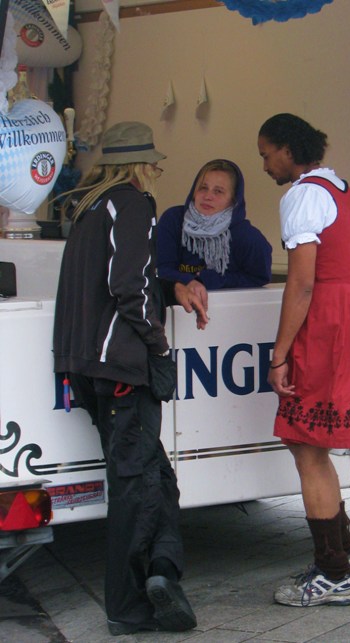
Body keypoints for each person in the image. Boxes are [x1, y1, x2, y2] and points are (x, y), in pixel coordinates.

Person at [53, 121, 208, 636]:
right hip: (122, 366)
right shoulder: (133, 204)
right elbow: (128, 288)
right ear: (141, 166)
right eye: (156, 165)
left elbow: (118, 282)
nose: (158, 173)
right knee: (137, 487)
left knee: (154, 479)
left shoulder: (88, 208)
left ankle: (163, 573)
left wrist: (171, 287)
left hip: (86, 364)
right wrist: (158, 343)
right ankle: (128, 605)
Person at [257, 113, 350, 607]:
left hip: (325, 320)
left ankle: (334, 573)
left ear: (288, 149)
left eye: (268, 153)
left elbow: (303, 281)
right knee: (313, 444)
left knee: (307, 445)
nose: (266, 164)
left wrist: (280, 353)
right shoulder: (343, 191)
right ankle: (344, 556)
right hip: (349, 312)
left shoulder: (303, 195)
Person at [157, 159, 272, 294]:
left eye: (218, 191)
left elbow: (259, 278)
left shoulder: (247, 236)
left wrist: (212, 280)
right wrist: (189, 281)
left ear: (233, 200)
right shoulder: (173, 220)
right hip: (176, 307)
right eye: (203, 188)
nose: (208, 196)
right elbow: (161, 269)